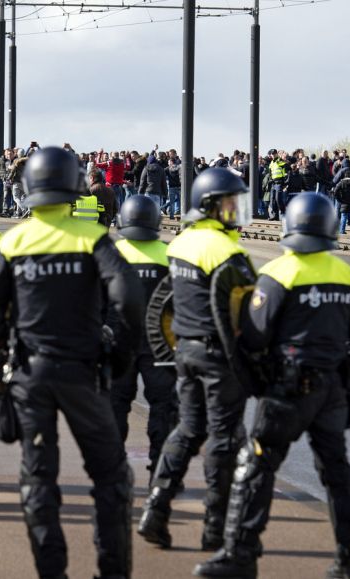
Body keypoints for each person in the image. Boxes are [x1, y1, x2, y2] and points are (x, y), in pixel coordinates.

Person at [0, 146, 143, 579]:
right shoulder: (92, 240)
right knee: (110, 475)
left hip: (31, 374)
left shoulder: (13, 241)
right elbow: (127, 298)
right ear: (74, 185)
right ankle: (112, 571)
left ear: (28, 187)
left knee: (37, 477)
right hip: (83, 372)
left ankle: (52, 572)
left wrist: (8, 349)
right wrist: (119, 351)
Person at [193, 193, 350, 579]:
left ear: (290, 227)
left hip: (287, 391)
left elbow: (255, 338)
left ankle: (240, 556)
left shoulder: (278, 274)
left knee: (256, 466)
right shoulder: (346, 275)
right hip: (334, 390)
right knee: (337, 472)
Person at [138, 168, 257, 552]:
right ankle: (214, 529)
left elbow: (167, 301)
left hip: (185, 350)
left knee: (187, 430)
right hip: (219, 357)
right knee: (222, 439)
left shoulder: (182, 243)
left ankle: (155, 510)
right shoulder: (229, 253)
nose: (236, 211)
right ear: (209, 207)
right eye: (229, 204)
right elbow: (247, 317)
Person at [110, 195, 178, 478]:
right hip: (161, 343)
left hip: (118, 341)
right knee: (164, 408)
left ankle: (113, 471)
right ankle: (161, 472)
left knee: (114, 408)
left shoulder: (111, 254)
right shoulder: (169, 254)